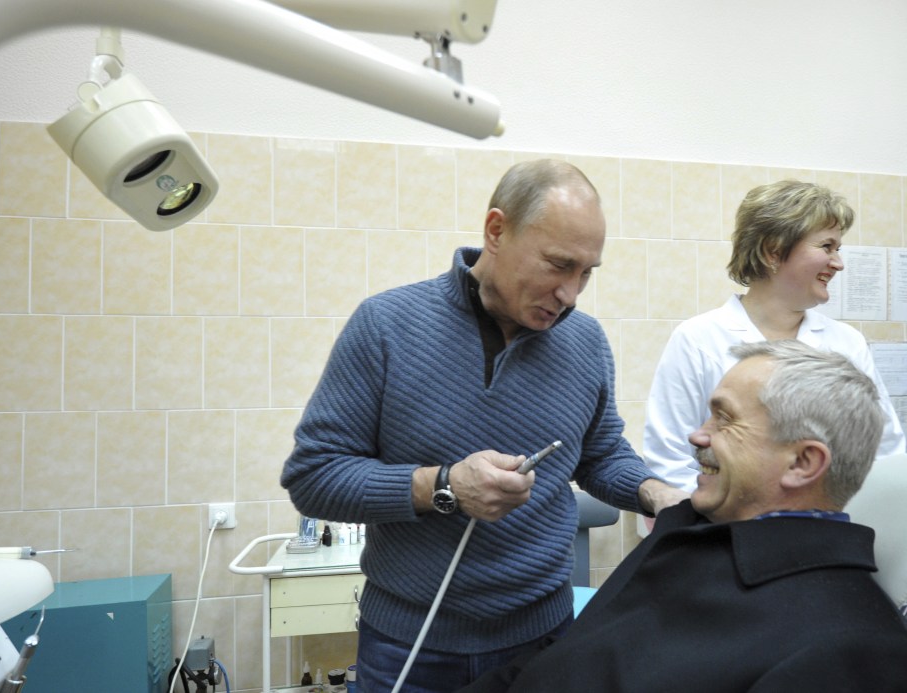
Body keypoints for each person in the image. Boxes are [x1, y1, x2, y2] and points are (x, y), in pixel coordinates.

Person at [280, 159, 686, 692]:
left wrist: (656, 493)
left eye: (586, 272)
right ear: (497, 230)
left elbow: (601, 455)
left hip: (542, 640)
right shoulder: (387, 327)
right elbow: (313, 478)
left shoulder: (586, 343)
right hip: (408, 645)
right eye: (558, 265)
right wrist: (443, 486)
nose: (571, 293)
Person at [460, 340, 907, 692]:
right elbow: (565, 656)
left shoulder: (851, 651)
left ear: (802, 463)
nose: (698, 435)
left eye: (724, 420)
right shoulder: (689, 527)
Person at [644, 179, 905, 493]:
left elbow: (885, 452)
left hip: (830, 528)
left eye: (838, 248)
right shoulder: (698, 339)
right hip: (727, 531)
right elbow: (668, 460)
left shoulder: (846, 342)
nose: (838, 263)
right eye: (827, 246)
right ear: (773, 250)